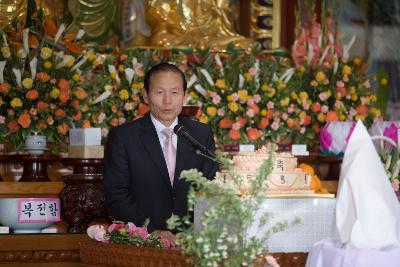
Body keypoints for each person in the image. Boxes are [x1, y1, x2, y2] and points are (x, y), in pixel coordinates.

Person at [103, 62, 219, 241]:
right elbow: (116, 194)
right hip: (143, 241)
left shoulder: (200, 134)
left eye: (174, 92)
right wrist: (149, 231)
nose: (167, 101)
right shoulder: (124, 136)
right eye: (159, 92)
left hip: (191, 242)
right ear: (146, 95)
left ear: (184, 96)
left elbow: (209, 187)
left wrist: (195, 234)